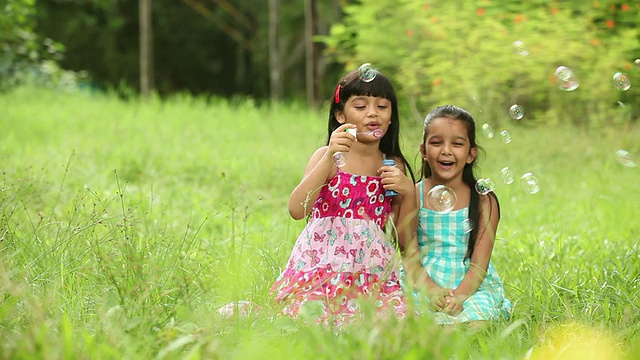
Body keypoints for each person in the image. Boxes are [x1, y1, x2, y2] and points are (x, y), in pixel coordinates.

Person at [270, 65, 418, 326]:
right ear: (340, 115)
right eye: (360, 107)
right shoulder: (328, 158)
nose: (372, 113)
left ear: (392, 116)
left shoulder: (391, 165)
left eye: (382, 107)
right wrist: (328, 156)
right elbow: (297, 209)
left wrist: (408, 194)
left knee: (391, 322)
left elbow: (401, 237)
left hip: (370, 272)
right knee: (315, 319)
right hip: (323, 266)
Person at [413, 104, 511, 327]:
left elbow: (479, 264)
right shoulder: (413, 195)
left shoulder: (484, 200)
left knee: (477, 322)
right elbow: (409, 256)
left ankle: (451, 333)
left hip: (469, 283)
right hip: (423, 280)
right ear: (424, 151)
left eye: (457, 144)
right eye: (436, 143)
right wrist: (433, 292)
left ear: (470, 154)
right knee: (408, 317)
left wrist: (459, 296)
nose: (446, 150)